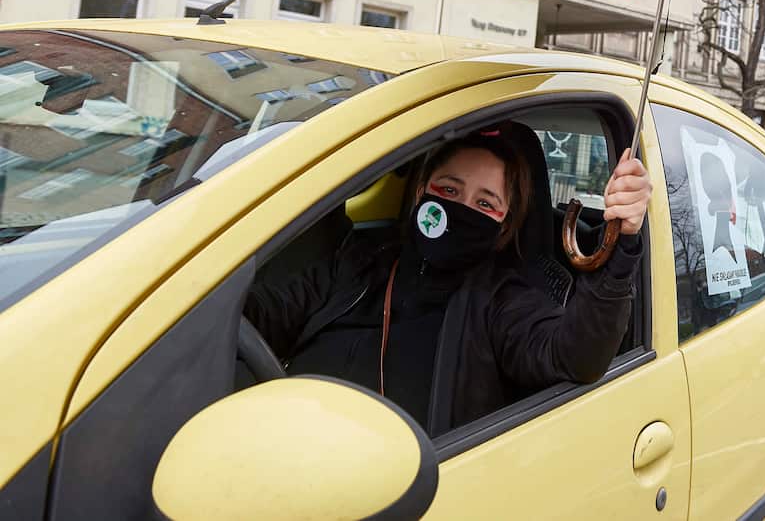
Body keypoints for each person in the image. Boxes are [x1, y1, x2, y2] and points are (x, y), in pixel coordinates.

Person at [243, 126, 651, 434]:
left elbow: (575, 355)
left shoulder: (501, 298)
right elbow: (264, 314)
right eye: (450, 190)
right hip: (280, 443)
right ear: (422, 190)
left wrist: (622, 242)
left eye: (485, 203)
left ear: (504, 222)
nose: (460, 210)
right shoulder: (359, 261)